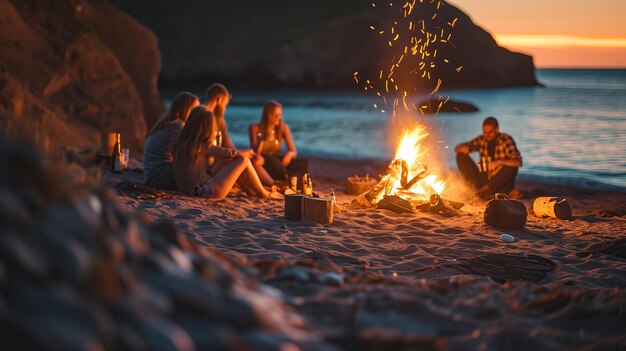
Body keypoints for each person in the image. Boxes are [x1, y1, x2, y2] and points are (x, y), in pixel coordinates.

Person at [171, 105, 281, 200]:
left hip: (193, 189)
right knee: (244, 161)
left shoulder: (180, 141)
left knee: (228, 160)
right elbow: (230, 153)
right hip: (206, 192)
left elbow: (228, 155)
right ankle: (263, 193)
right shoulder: (201, 145)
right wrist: (248, 153)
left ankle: (250, 191)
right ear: (206, 128)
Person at [454, 116, 522, 198]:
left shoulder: (506, 139)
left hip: (500, 184)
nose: (487, 135)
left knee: (512, 167)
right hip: (484, 180)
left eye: (490, 132)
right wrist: (462, 147)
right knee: (460, 155)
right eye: (484, 132)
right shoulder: (482, 139)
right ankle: (474, 189)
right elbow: (457, 149)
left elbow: (518, 162)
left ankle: (478, 193)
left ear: (497, 129)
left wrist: (499, 161)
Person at [143, 92, 199, 190]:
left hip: (152, 174)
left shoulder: (170, 122)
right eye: (195, 109)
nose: (197, 114)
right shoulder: (178, 126)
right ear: (186, 109)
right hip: (157, 175)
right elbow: (190, 152)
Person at [248, 100, 308, 186]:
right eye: (275, 115)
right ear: (268, 115)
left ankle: (289, 178)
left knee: (303, 162)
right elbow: (255, 154)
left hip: (277, 162)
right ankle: (288, 179)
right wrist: (262, 139)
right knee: (271, 159)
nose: (278, 118)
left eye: (280, 115)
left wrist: (289, 155)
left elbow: (293, 151)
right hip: (264, 162)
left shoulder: (283, 128)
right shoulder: (254, 128)